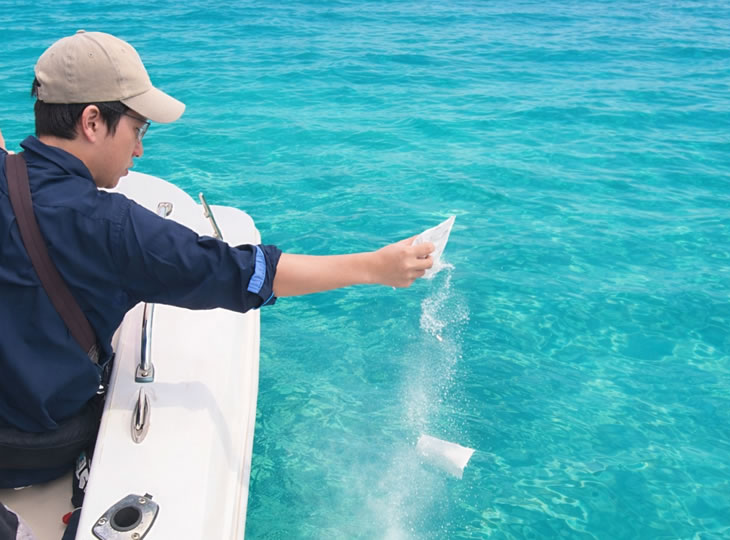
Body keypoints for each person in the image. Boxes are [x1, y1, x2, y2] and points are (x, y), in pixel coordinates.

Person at [0, 30, 433, 538]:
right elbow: (242, 273)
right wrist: (375, 267)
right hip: (30, 447)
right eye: (137, 129)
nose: (139, 150)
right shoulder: (111, 227)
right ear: (92, 121)